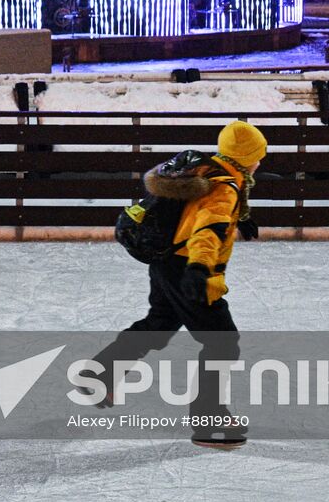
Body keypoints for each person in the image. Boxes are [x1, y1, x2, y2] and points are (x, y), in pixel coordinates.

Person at [92, 119, 267, 449]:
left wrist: (240, 218)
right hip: (188, 268)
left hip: (165, 262)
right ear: (248, 158)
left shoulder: (206, 171)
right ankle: (209, 419)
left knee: (159, 323)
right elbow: (207, 230)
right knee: (222, 341)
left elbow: (198, 211)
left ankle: (102, 372)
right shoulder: (225, 188)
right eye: (259, 155)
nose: (261, 160)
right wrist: (199, 269)